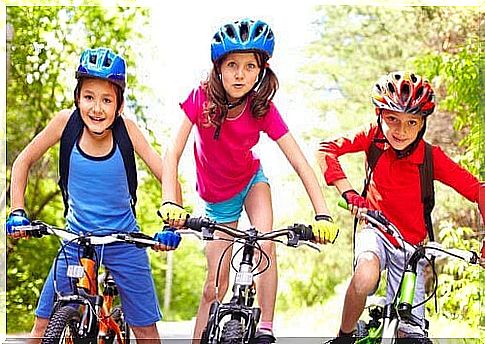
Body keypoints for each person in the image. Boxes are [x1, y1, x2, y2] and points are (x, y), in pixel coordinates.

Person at [158, 18, 339, 343]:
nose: (240, 74)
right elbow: (172, 152)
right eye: (232, 65)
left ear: (261, 71)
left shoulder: (262, 109)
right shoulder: (200, 98)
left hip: (251, 182)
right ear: (219, 68)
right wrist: (171, 200)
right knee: (214, 287)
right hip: (216, 199)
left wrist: (322, 214)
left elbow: (299, 162)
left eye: (249, 66)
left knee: (265, 242)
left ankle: (266, 328)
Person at [6, 47, 181, 344]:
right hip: (76, 239)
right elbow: (23, 161)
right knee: (41, 328)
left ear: (120, 105)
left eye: (107, 100)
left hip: (124, 240)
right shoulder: (66, 123)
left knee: (146, 332)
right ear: (77, 98)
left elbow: (166, 173)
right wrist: (17, 211)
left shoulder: (128, 131)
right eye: (89, 97)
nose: (96, 108)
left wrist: (171, 219)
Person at [317, 71, 484, 341]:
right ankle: (344, 336)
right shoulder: (372, 137)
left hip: (412, 249)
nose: (401, 130)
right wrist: (348, 193)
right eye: (392, 119)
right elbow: (326, 149)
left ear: (422, 124)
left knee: (411, 332)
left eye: (411, 122)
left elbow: (477, 190)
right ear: (379, 114)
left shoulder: (431, 157)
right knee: (365, 275)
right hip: (375, 229)